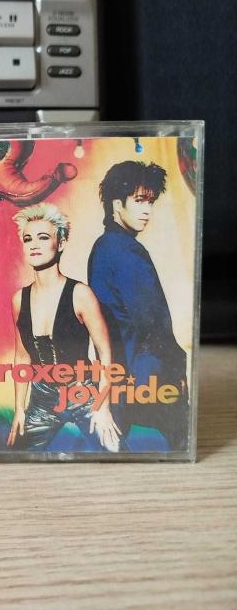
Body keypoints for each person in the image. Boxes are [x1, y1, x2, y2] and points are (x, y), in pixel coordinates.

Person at [88, 160, 188, 449]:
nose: (147, 210)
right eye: (139, 200)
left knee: (115, 449)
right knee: (179, 439)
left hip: (119, 375)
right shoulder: (127, 251)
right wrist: (178, 365)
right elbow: (151, 321)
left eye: (151, 202)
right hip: (145, 374)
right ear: (116, 204)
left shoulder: (102, 246)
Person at [7, 202, 121, 453]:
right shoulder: (18, 300)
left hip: (83, 394)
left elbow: (105, 353)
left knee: (116, 452)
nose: (34, 245)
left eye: (43, 237)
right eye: (28, 239)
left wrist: (103, 407)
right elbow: (22, 357)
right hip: (42, 399)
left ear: (60, 243)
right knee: (17, 455)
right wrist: (19, 409)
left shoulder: (81, 294)